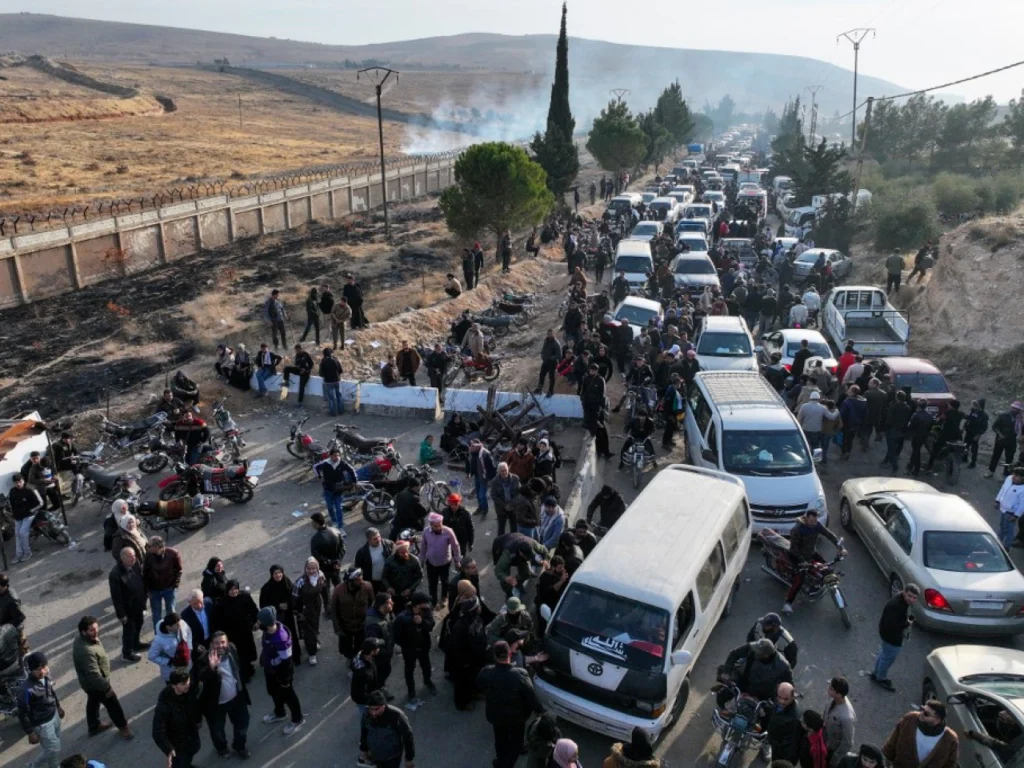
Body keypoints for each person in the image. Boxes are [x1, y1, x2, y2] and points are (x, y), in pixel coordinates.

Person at [477, 640, 545, 768]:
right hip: (517, 718)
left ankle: (500, 760)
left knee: (500, 739)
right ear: (509, 653)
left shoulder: (486, 673)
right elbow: (531, 697)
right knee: (516, 744)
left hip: (496, 716)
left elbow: (479, 685)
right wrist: (541, 711)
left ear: (495, 656)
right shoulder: (520, 674)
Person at [73, 616, 132, 740]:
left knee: (93, 701)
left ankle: (94, 725)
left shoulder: (85, 639)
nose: (96, 631)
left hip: (90, 684)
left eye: (96, 627)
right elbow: (93, 675)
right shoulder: (86, 651)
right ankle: (123, 727)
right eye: (92, 630)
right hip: (97, 684)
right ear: (83, 632)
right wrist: (107, 688)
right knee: (113, 704)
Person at [197, 631, 251, 759]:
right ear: (211, 644)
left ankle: (239, 746)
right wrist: (212, 668)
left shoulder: (232, 649)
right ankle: (222, 748)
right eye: (217, 643)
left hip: (237, 698)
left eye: (223, 642)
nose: (220, 645)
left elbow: (238, 667)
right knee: (217, 730)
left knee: (243, 722)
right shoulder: (204, 660)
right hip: (216, 705)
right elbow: (201, 678)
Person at [782, 510, 846, 615]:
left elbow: (829, 535)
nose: (813, 524)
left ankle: (819, 584)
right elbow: (794, 548)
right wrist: (802, 561)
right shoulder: (797, 529)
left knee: (827, 568)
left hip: (811, 553)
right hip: (796, 556)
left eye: (815, 521)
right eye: (811, 521)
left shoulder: (817, 525)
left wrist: (840, 547)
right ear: (806, 518)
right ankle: (788, 603)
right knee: (799, 579)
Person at [257, 607, 305, 735]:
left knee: (289, 696)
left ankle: (297, 719)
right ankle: (280, 713)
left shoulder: (281, 639)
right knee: (274, 692)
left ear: (265, 623)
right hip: (270, 670)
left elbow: (286, 662)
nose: (258, 622)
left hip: (281, 673)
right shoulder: (269, 629)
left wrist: (285, 680)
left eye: (259, 620)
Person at [870, 584, 921, 692]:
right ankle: (880, 678)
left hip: (886, 634)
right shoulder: (898, 606)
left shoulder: (899, 600)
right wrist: (908, 623)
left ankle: (876, 673)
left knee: (884, 654)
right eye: (910, 596)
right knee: (888, 658)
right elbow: (894, 624)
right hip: (892, 638)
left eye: (914, 597)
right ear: (904, 592)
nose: (912, 600)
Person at [882, 701, 959, 768]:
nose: (921, 713)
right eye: (922, 709)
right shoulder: (910, 719)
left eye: (926, 714)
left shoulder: (950, 739)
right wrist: (887, 757)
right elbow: (894, 738)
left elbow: (950, 764)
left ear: (938, 720)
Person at [446, 593, 488, 711]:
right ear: (473, 610)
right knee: (462, 683)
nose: (480, 608)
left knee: (474, 678)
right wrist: (465, 663)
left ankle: (474, 693)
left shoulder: (477, 619)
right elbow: (456, 648)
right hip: (465, 662)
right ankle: (462, 704)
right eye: (478, 606)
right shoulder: (461, 627)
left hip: (476, 659)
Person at [152, 669, 201, 768]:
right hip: (178, 744)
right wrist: (169, 749)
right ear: (173, 685)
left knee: (191, 753)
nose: (187, 685)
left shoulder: (189, 690)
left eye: (188, 681)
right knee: (180, 763)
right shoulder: (164, 706)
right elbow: (157, 732)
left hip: (191, 735)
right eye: (183, 684)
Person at [394, 592, 435, 707]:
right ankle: (411, 692)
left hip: (423, 647)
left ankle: (428, 681)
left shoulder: (426, 612)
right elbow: (396, 635)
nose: (428, 605)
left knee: (426, 666)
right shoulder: (402, 618)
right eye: (425, 603)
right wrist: (405, 646)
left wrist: (422, 622)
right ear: (417, 605)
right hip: (409, 650)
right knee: (409, 670)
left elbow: (431, 626)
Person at [213, 580, 259, 682]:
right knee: (239, 654)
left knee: (248, 650)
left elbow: (253, 609)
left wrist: (256, 621)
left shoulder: (244, 596)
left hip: (245, 630)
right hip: (233, 634)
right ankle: (244, 674)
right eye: (231, 589)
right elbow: (218, 620)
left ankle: (249, 667)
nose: (234, 591)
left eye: (235, 589)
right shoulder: (222, 603)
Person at [330, 566, 376, 665]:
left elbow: (372, 604)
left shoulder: (367, 586)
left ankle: (359, 658)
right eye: (358, 580)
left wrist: (370, 622)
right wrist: (337, 627)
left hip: (362, 624)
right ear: (350, 581)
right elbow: (333, 610)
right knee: (346, 647)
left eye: (361, 578)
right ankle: (349, 658)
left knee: (361, 645)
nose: (361, 582)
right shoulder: (338, 590)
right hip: (345, 625)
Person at [358, 689, 416, 768]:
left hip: (392, 757)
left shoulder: (396, 715)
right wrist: (364, 750)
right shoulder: (367, 713)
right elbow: (364, 732)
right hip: (375, 754)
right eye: (371, 709)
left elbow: (408, 737)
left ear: (383, 705)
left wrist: (409, 759)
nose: (373, 713)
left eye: (376, 709)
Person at [258, 565, 302, 665]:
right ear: (271, 574)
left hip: (288, 615)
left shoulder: (287, 582)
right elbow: (263, 605)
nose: (278, 575)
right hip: (275, 619)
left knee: (291, 635)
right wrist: (278, 606)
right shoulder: (266, 588)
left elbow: (293, 596)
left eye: (279, 573)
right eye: (275, 573)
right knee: (277, 638)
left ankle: (295, 656)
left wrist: (290, 605)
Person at [292, 557, 330, 666]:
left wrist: (327, 604)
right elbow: (294, 598)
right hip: (305, 608)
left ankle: (315, 641)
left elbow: (325, 590)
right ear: (305, 569)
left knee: (315, 626)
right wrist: (298, 612)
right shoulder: (300, 581)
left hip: (316, 605)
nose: (311, 571)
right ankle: (312, 654)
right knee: (308, 631)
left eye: (314, 568)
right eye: (309, 568)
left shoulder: (320, 576)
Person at [419, 513, 461, 608]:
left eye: (440, 525)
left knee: (445, 581)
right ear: (431, 525)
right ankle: (433, 601)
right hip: (431, 562)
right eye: (436, 526)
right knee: (432, 583)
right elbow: (423, 547)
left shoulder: (448, 532)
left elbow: (455, 546)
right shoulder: (426, 532)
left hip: (444, 562)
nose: (438, 528)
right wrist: (421, 560)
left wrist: (457, 561)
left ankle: (444, 597)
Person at [144, 536, 183, 630]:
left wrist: (175, 585)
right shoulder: (148, 556)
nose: (147, 547)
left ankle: (174, 633)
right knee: (156, 615)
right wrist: (147, 590)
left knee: (171, 612)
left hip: (169, 588)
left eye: (149, 546)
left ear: (157, 546)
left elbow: (179, 570)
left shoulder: (173, 553)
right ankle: (159, 634)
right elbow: (145, 573)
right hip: (154, 590)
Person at [763, 681, 802, 764]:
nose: (781, 701)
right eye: (779, 697)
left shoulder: (795, 717)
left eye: (786, 699)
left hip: (782, 754)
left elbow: (794, 744)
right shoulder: (777, 700)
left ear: (793, 696)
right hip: (774, 744)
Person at [364, 592, 396, 692]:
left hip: (386, 652)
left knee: (386, 671)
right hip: (380, 657)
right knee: (380, 674)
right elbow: (372, 643)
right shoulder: (373, 624)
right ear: (383, 605)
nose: (393, 603)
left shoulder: (385, 612)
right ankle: (377, 691)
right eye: (390, 602)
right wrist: (385, 650)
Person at [149, 611, 192, 682]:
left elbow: (189, 633)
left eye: (179, 623)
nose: (180, 626)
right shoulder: (158, 640)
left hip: (187, 666)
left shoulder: (181, 623)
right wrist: (169, 662)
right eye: (176, 625)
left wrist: (189, 648)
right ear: (168, 627)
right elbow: (152, 656)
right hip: (171, 672)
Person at [315, 448, 352, 530]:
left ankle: (340, 525)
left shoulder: (341, 463)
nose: (337, 457)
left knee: (338, 508)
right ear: (330, 456)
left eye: (338, 455)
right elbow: (316, 467)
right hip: (328, 490)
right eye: (335, 455)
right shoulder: (325, 464)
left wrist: (353, 481)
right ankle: (334, 520)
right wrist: (319, 476)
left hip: (339, 490)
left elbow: (351, 470)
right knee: (330, 507)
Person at [382, 541, 424, 615]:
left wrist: (410, 589)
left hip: (410, 593)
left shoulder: (414, 560)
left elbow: (420, 577)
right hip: (395, 594)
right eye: (402, 553)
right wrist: (389, 587)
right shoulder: (389, 561)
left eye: (406, 552)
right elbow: (384, 577)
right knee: (398, 613)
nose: (406, 554)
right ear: (397, 553)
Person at [8, 473, 42, 564]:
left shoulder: (30, 489)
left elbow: (40, 503)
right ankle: (19, 554)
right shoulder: (12, 491)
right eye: (16, 482)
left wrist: (31, 511)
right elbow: (12, 504)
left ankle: (27, 553)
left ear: (23, 480)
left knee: (23, 533)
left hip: (29, 515)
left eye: (20, 481)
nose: (18, 484)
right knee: (17, 534)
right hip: (18, 516)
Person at [824, 677, 856, 766]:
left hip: (833, 749)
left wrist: (836, 757)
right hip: (826, 740)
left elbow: (848, 742)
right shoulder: (832, 698)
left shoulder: (847, 717)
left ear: (839, 694)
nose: (828, 689)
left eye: (831, 689)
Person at [987, 401, 1024, 478]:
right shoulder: (1003, 415)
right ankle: (991, 471)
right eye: (1013, 408)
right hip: (1000, 440)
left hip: (1012, 442)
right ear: (1011, 407)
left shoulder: (1021, 419)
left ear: (1019, 410)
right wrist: (1000, 434)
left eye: (1017, 409)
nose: (1014, 410)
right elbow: (994, 426)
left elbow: (1021, 432)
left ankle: (1006, 474)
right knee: (995, 456)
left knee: (1009, 459)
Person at [310, 511, 346, 585]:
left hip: (324, 569)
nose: (311, 524)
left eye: (312, 522)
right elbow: (342, 547)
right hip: (336, 566)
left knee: (325, 587)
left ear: (317, 523)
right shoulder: (336, 531)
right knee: (338, 584)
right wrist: (338, 560)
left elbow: (316, 556)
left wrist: (329, 562)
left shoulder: (315, 539)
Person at [355, 527, 394, 595]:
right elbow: (358, 568)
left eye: (379, 537)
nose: (378, 540)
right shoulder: (362, 552)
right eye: (375, 539)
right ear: (369, 540)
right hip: (373, 582)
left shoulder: (388, 544)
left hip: (388, 581)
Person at [881, 391, 913, 472]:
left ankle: (895, 466)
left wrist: (885, 428)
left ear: (897, 397)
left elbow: (889, 419)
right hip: (902, 431)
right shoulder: (907, 408)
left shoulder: (893, 406)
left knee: (891, 448)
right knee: (892, 447)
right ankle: (886, 460)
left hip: (893, 430)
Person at [351, 637, 385, 709]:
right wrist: (373, 702)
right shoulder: (363, 672)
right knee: (367, 713)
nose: (379, 649)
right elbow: (363, 693)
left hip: (369, 691)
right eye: (377, 648)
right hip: (364, 700)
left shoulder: (363, 654)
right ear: (372, 652)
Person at [995, 466, 1024, 549]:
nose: (1013, 477)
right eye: (1013, 474)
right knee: (1002, 526)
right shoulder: (1009, 479)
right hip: (1003, 509)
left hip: (1011, 513)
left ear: (1023, 478)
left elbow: (1022, 505)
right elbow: (1003, 489)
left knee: (1008, 531)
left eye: (1017, 476)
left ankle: (1006, 547)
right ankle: (997, 544)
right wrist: (997, 501)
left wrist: (1016, 515)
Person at [466, 439, 497, 516]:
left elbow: (493, 467)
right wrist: (469, 473)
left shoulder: (486, 454)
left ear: (478, 446)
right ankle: (480, 507)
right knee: (478, 494)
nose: (471, 447)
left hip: (484, 477)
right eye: (470, 446)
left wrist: (489, 479)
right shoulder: (471, 452)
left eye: (473, 446)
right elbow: (468, 462)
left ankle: (485, 509)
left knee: (482, 495)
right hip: (477, 476)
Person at [489, 463, 522, 535]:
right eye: (502, 471)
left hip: (513, 507)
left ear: (508, 469)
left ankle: (514, 540)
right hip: (501, 508)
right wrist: (505, 505)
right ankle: (500, 541)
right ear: (498, 471)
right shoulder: (494, 481)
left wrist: (511, 504)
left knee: (514, 527)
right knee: (501, 528)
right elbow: (493, 496)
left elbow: (519, 493)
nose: (504, 472)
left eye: (505, 470)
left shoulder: (515, 478)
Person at [907, 400, 935, 477]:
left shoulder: (916, 415)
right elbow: (931, 427)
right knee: (916, 450)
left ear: (918, 406)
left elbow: (910, 426)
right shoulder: (929, 416)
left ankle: (916, 469)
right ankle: (910, 465)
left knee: (916, 452)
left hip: (916, 436)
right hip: (924, 436)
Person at [180, 589, 214, 653]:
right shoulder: (185, 615)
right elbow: (185, 635)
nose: (199, 606)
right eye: (195, 604)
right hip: (199, 645)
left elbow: (215, 623)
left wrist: (215, 639)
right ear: (190, 603)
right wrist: (195, 646)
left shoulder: (209, 603)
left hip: (212, 641)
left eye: (201, 602)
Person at [442, 492, 475, 556]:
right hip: (449, 540)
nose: (453, 507)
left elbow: (470, 529)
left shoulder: (465, 513)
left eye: (455, 504)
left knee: (461, 557)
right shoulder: (445, 512)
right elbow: (441, 527)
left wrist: (471, 543)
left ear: (459, 503)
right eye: (451, 504)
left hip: (462, 541)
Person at [963, 399, 989, 469]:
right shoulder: (973, 411)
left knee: (974, 449)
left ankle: (973, 462)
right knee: (965, 445)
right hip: (969, 431)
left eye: (976, 405)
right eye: (974, 405)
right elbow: (969, 419)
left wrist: (978, 435)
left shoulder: (984, 416)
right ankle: (965, 457)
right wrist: (964, 426)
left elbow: (984, 427)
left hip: (975, 433)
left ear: (980, 406)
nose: (974, 406)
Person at [319, 347, 345, 416]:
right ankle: (341, 410)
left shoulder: (323, 361)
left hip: (328, 382)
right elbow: (341, 370)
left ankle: (333, 412)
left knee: (331, 398)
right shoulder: (335, 359)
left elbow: (321, 374)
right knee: (339, 396)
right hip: (337, 380)